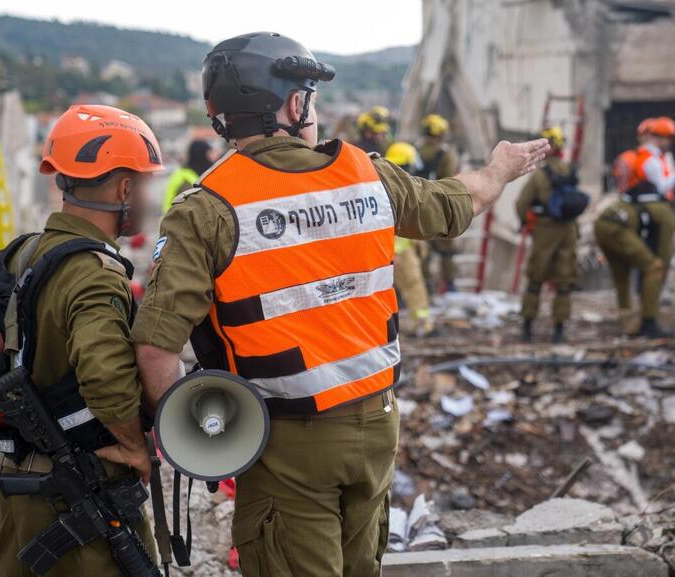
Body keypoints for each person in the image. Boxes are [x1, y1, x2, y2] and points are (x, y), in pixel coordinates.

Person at [127, 32, 548, 577]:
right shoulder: (367, 174)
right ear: (295, 104)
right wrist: (500, 169)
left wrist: (209, 446)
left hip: (284, 445)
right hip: (378, 429)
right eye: (311, 97)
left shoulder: (208, 207)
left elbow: (157, 349)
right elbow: (455, 204)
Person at [0, 104, 162, 576]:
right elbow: (105, 374)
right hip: (76, 492)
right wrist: (132, 447)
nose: (148, 196)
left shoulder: (25, 252)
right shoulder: (94, 274)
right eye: (144, 183)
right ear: (125, 189)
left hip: (21, 481)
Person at [594, 117, 675, 339]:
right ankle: (649, 323)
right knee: (654, 267)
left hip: (607, 225)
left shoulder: (636, 169)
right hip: (619, 226)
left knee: (622, 276)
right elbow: (663, 251)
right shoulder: (651, 167)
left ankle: (628, 324)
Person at [515, 126, 585, 343]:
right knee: (564, 281)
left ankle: (527, 328)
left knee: (536, 278)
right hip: (569, 230)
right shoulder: (571, 171)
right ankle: (559, 330)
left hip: (545, 230)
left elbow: (521, 203)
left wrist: (526, 222)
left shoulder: (539, 175)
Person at [385, 141, 436, 336]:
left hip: (398, 250)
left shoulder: (388, 183)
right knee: (414, 287)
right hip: (399, 252)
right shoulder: (396, 189)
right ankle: (423, 325)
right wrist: (396, 252)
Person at [418, 113, 461, 291]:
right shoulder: (446, 154)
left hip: (416, 205)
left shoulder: (415, 150)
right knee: (446, 250)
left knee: (422, 251)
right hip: (438, 206)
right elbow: (450, 180)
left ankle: (426, 286)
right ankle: (449, 284)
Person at [162, 139, 215, 213]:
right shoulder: (187, 181)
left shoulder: (191, 175)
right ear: (201, 155)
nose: (213, 159)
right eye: (209, 154)